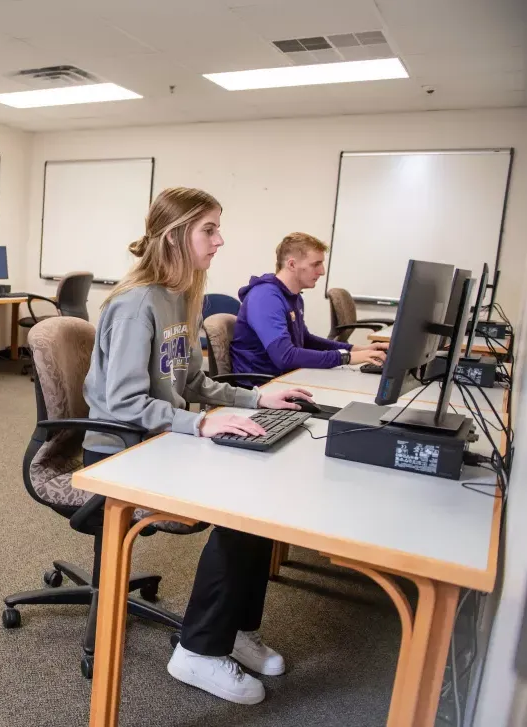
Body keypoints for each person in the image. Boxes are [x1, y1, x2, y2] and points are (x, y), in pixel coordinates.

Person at [83, 187, 314, 706]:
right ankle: (198, 650)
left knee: (262, 493)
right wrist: (200, 427)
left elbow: (193, 385)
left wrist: (258, 396)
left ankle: (232, 630)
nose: (220, 239)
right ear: (173, 236)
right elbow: (121, 404)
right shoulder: (135, 304)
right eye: (208, 229)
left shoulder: (182, 298)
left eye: (217, 228)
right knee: (241, 504)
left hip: (161, 438)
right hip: (120, 449)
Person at [230, 232, 386, 382]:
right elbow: (284, 357)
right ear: (292, 264)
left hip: (287, 379)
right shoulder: (265, 298)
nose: (322, 271)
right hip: (262, 387)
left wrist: (357, 350)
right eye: (316, 264)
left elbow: (306, 340)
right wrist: (346, 357)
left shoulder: (293, 296)